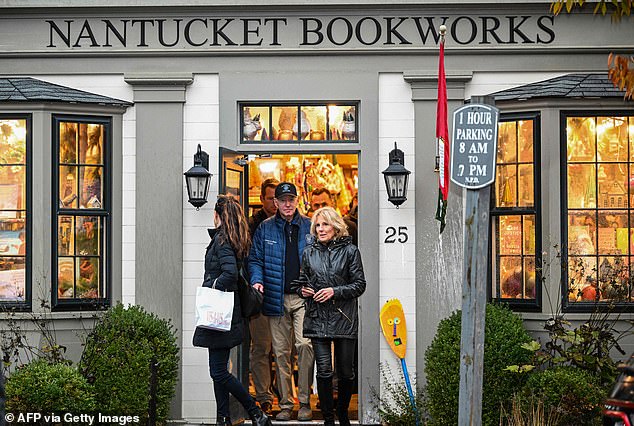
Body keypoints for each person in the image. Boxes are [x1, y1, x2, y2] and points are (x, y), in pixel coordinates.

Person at [193, 195, 272, 426]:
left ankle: (255, 412)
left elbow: (228, 274)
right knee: (217, 370)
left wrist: (212, 289)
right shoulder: (229, 239)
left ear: (218, 215)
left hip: (219, 313)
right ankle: (223, 418)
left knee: (218, 372)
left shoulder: (222, 241)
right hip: (224, 315)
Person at [293, 206, 366, 426]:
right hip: (318, 316)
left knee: (345, 372)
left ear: (335, 226)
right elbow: (302, 281)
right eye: (317, 225)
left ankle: (342, 413)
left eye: (325, 224)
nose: (321, 229)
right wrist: (303, 290)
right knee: (324, 370)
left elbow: (360, 285)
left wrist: (335, 291)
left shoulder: (350, 251)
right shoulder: (309, 252)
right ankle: (327, 419)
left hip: (344, 317)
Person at [248, 182, 314, 422]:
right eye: (283, 200)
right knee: (281, 353)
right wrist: (257, 281)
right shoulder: (265, 229)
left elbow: (320, 260)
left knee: (305, 346)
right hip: (275, 299)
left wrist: (314, 286)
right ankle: (286, 404)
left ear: (297, 201)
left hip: (303, 299)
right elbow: (254, 259)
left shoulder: (309, 226)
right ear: (275, 203)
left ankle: (305, 402)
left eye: (291, 199)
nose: (288, 204)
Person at [247, 178, 279, 415]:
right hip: (259, 295)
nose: (275, 203)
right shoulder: (252, 225)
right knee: (261, 347)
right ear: (262, 199)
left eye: (277, 199)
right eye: (270, 198)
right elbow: (250, 259)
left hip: (282, 294)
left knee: (285, 348)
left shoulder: (291, 223)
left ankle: (286, 393)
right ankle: (264, 396)